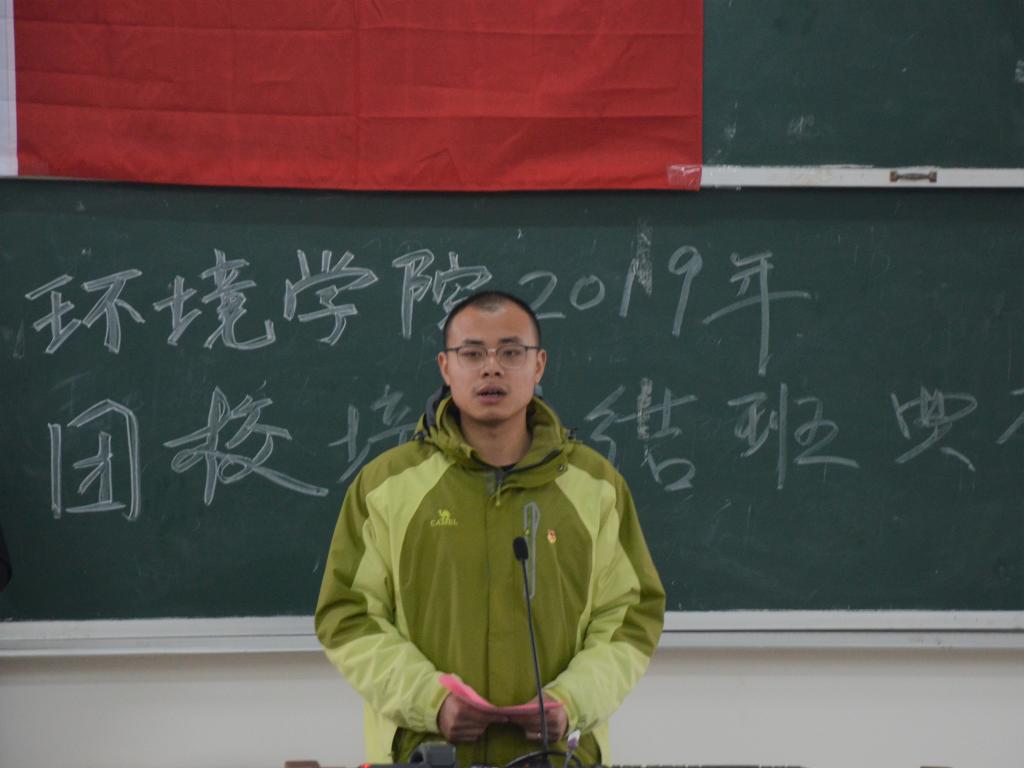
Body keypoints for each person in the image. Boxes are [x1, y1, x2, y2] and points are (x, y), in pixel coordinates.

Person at [315, 290, 664, 767]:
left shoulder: (596, 487)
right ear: (446, 367)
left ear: (538, 365)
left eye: (511, 353)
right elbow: (347, 616)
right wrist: (432, 701)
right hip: (427, 754)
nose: (492, 368)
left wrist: (571, 701)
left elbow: (630, 616)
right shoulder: (386, 487)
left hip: (556, 756)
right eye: (473, 353)